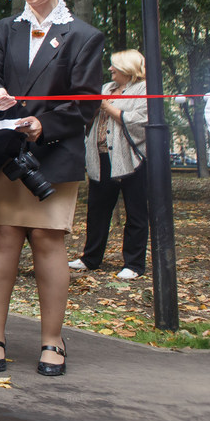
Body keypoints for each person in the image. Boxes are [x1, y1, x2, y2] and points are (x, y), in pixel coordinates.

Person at [0, 0, 103, 378]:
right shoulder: (4, 29)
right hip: (6, 152)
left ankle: (52, 340)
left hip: (54, 153)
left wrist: (43, 124)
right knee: (2, 237)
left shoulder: (84, 36)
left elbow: (86, 103)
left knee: (49, 241)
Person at [74, 50, 148, 280]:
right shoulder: (106, 87)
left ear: (127, 67)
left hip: (131, 160)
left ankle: (134, 264)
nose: (110, 69)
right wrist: (92, 107)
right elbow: (87, 116)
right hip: (100, 157)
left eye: (114, 65)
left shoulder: (144, 89)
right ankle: (90, 258)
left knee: (135, 213)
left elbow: (141, 121)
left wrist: (107, 107)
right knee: (97, 210)